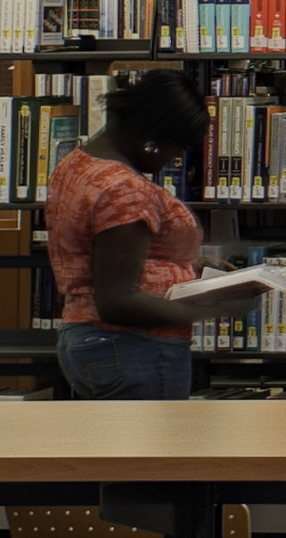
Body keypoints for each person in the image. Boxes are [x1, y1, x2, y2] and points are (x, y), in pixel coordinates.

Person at [46, 71, 266, 397]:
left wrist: (192, 267)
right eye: (175, 146)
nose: (173, 158)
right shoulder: (124, 188)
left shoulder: (78, 163)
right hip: (135, 348)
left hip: (88, 339)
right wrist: (216, 307)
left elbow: (101, 251)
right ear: (153, 135)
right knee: (155, 448)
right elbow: (117, 301)